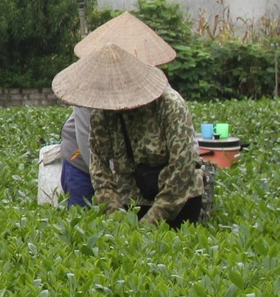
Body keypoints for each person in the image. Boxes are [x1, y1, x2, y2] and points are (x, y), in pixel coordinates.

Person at [55, 44, 206, 227]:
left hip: (178, 200)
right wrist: (117, 218)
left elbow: (183, 170)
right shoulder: (102, 114)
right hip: (132, 199)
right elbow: (99, 170)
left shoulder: (170, 105)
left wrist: (149, 223)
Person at [59, 12, 177, 210]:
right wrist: (113, 188)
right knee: (87, 224)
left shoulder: (152, 82)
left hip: (130, 166)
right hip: (83, 165)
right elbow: (89, 144)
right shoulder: (88, 86)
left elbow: (174, 114)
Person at [58, 106, 96, 208]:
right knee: (82, 216)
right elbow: (85, 137)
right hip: (80, 162)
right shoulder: (86, 96)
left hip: (110, 161)